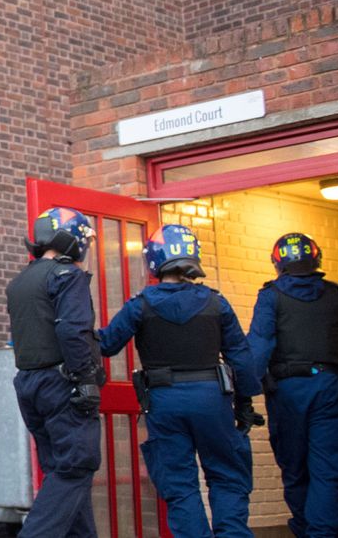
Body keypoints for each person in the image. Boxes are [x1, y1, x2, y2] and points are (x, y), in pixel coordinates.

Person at [97, 224, 263, 538]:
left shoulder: (140, 305)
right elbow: (240, 356)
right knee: (228, 475)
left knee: (179, 485)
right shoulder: (217, 303)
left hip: (164, 400)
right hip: (213, 399)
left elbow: (106, 344)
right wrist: (244, 402)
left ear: (154, 261)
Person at [248, 232, 338, 538]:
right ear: (317, 258)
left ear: (277, 263)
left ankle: (306, 529)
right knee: (328, 470)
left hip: (287, 392)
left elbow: (258, 347)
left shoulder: (270, 297)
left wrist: (243, 394)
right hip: (330, 388)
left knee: (295, 468)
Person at [5, 207, 104, 538]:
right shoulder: (67, 276)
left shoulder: (21, 281)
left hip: (29, 384)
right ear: (72, 240)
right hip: (62, 384)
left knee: (64, 474)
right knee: (75, 468)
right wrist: (86, 379)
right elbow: (73, 330)